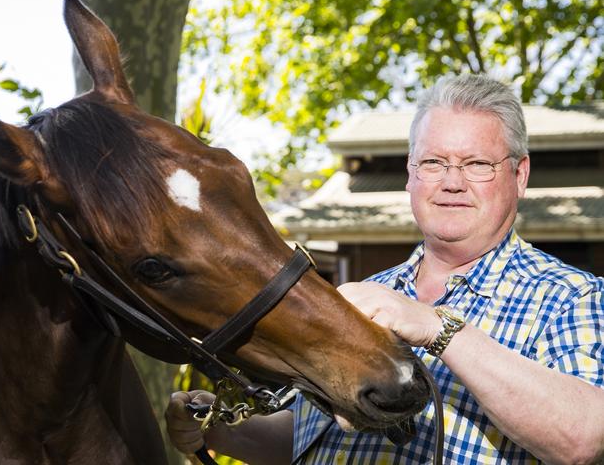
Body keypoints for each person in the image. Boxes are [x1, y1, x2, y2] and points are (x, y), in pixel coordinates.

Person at [166, 75, 604, 464]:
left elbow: (582, 439)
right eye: (433, 163)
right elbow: (310, 437)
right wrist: (221, 431)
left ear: (520, 175)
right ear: (410, 174)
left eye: (476, 164)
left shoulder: (571, 294)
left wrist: (437, 326)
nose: (452, 182)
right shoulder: (365, 296)